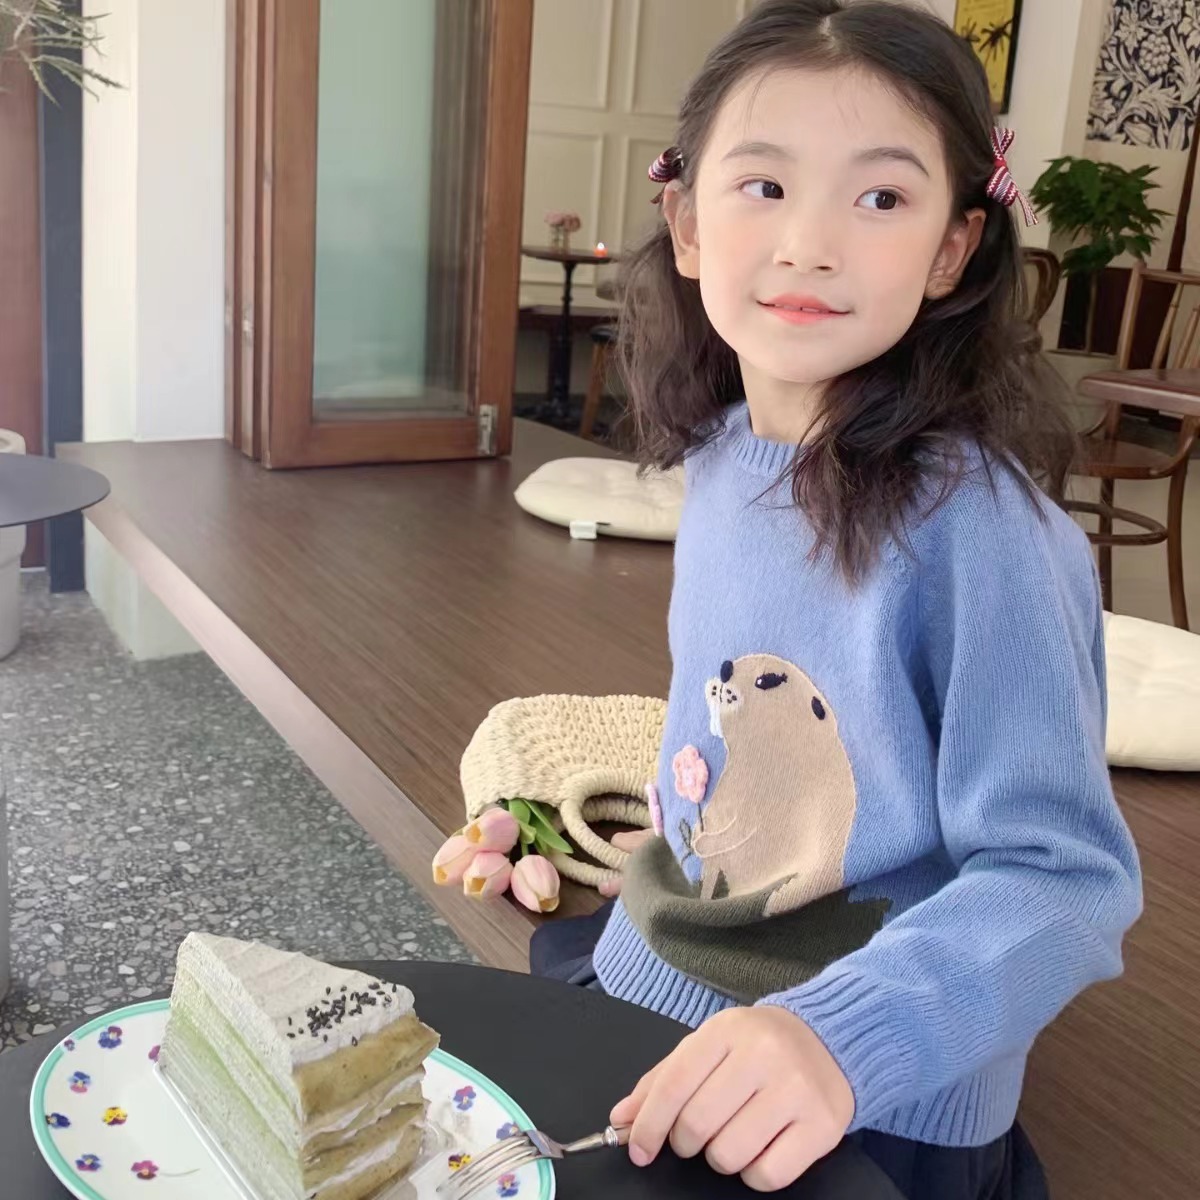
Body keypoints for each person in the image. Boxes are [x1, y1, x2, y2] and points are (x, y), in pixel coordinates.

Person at [528, 1, 1143, 1197]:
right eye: (764, 186)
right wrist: (676, 837)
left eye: (881, 198)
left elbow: (1066, 879)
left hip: (867, 1092)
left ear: (952, 251)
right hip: (662, 977)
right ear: (686, 222)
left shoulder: (987, 533)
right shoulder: (722, 454)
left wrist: (839, 1041)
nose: (810, 244)